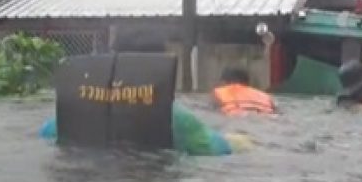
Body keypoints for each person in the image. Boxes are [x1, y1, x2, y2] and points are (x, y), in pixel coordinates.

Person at [39, 34, 248, 156]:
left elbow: (46, 134)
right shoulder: (176, 118)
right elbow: (219, 148)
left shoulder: (80, 108)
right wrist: (243, 141)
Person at [211, 66, 276, 115]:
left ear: (226, 81)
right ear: (247, 81)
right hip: (265, 117)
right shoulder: (264, 95)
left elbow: (213, 110)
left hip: (236, 117)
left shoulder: (219, 92)